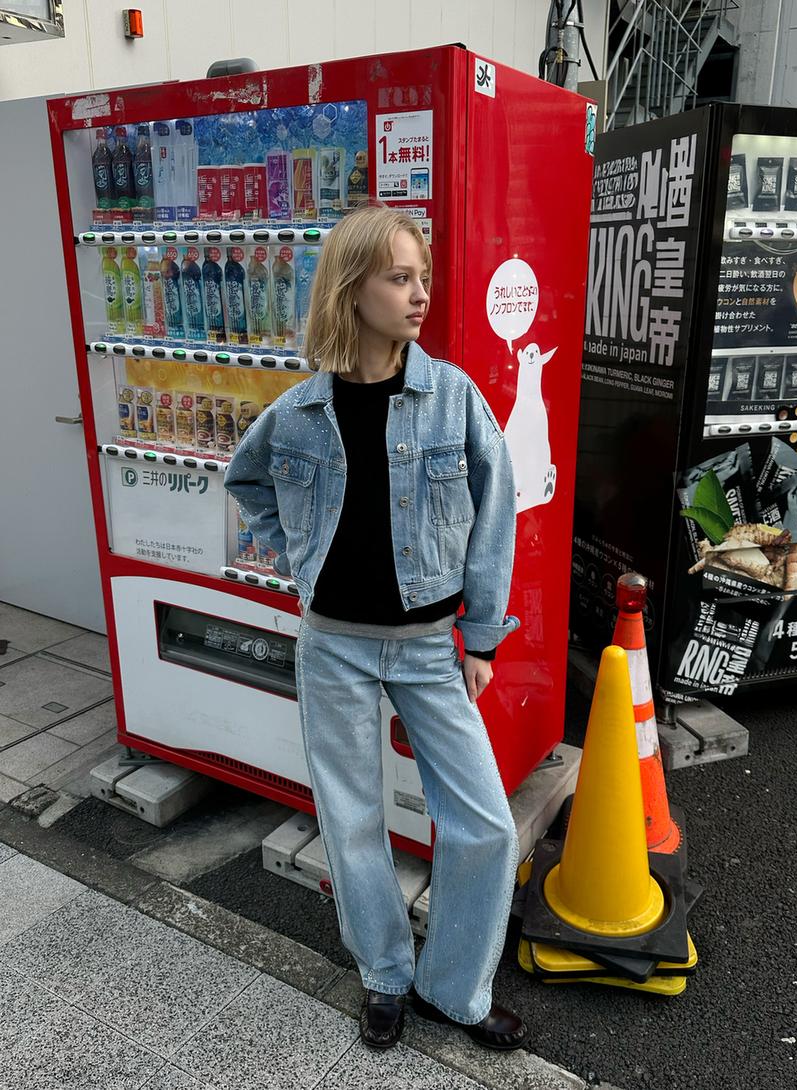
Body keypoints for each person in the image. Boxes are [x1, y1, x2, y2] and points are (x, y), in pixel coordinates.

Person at [224, 205, 528, 1052]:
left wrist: (482, 639)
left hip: (431, 647)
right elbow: (247, 482)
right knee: (350, 818)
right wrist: (301, 556)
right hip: (334, 645)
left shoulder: (452, 397)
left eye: (421, 277)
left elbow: (494, 517)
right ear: (351, 289)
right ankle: (386, 976)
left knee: (485, 822)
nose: (419, 293)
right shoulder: (297, 413)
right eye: (400, 277)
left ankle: (455, 989)